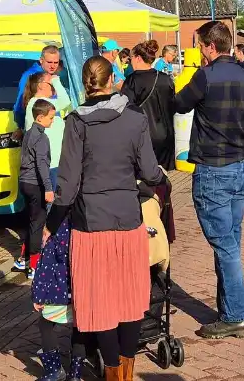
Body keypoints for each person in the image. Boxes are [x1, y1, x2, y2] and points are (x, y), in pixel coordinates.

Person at [46, 56, 165, 379]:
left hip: (90, 226)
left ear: (84, 82)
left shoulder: (76, 123)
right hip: (128, 222)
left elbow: (67, 188)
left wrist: (50, 224)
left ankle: (112, 374)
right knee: (129, 300)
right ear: (112, 79)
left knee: (100, 306)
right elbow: (150, 172)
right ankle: (126, 372)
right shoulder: (134, 118)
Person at [173, 21, 244, 340]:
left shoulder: (205, 76)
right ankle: (229, 311)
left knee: (226, 247)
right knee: (231, 241)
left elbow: (179, 105)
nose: (197, 51)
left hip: (214, 167)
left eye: (198, 45)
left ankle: (236, 316)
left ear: (210, 46)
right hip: (240, 166)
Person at [31, 215, 86, 381]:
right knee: (80, 328)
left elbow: (45, 267)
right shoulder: (88, 224)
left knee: (45, 324)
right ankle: (75, 374)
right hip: (83, 292)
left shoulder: (56, 228)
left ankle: (54, 370)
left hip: (58, 292)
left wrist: (38, 295)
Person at [122, 40, 177, 171]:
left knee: (144, 178)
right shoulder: (166, 78)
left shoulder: (132, 80)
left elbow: (125, 109)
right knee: (163, 177)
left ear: (138, 58)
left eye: (132, 59)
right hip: (167, 135)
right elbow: (173, 105)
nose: (130, 62)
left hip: (144, 136)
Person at [19, 99, 57, 276]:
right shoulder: (42, 138)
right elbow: (42, 165)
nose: (53, 120)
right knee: (38, 223)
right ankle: (34, 265)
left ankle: (23, 259)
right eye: (51, 117)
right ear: (40, 117)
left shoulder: (28, 133)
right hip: (36, 184)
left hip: (24, 182)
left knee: (30, 221)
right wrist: (48, 188)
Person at [15, 46, 64, 133]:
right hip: (39, 131)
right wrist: (21, 127)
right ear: (41, 60)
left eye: (56, 62)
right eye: (49, 62)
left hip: (54, 128)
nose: (52, 66)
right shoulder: (30, 76)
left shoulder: (53, 75)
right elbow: (21, 104)